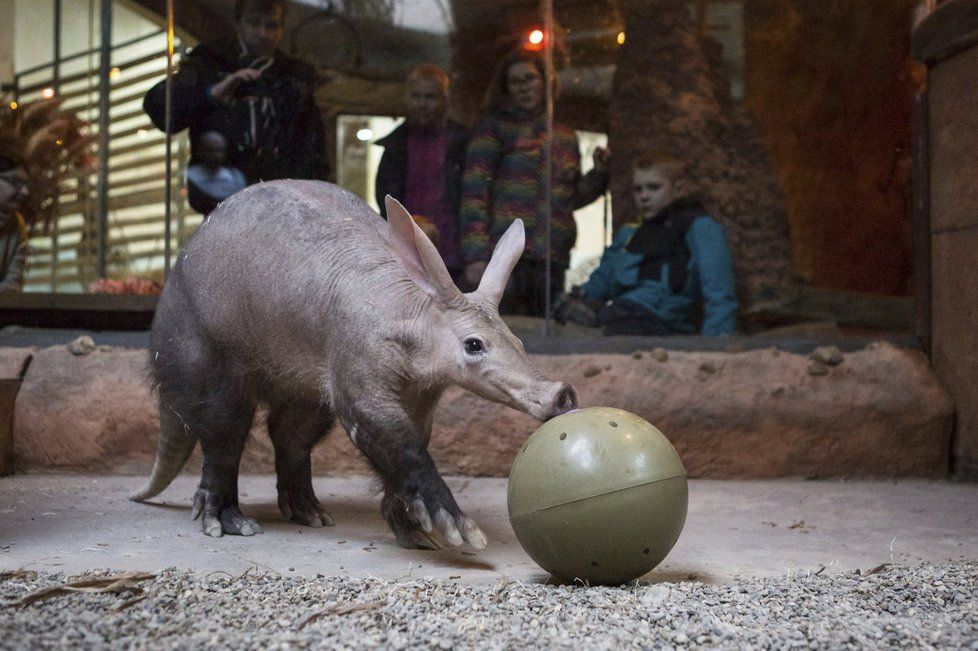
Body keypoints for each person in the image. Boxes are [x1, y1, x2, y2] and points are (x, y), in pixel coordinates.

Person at [459, 50, 609, 315]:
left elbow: (568, 198)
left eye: (530, 78)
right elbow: (474, 195)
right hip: (507, 256)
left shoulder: (564, 136)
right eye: (515, 82)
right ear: (506, 89)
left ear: (545, 81)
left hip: (551, 258)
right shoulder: (493, 130)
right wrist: (475, 256)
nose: (523, 87)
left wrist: (599, 174)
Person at [143, 0, 328, 185]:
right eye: (254, 23)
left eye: (271, 25)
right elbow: (160, 107)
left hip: (279, 193)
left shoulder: (294, 78)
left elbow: (313, 151)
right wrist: (212, 93)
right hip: (220, 191)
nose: (263, 33)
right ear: (239, 23)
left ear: (281, 28)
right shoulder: (209, 63)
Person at [556, 153, 738, 336]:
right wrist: (580, 299)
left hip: (664, 322)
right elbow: (603, 279)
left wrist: (715, 343)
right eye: (638, 189)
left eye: (653, 188)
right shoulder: (631, 232)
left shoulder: (698, 226)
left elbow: (719, 290)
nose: (644, 196)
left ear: (679, 188)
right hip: (621, 314)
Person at [374, 64, 469, 279]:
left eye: (430, 96)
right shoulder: (396, 146)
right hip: (407, 252)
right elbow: (385, 200)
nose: (423, 104)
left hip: (451, 253)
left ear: (445, 99)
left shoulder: (462, 143)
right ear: (407, 98)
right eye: (416, 96)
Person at [186, 131, 248, 214]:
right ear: (200, 151)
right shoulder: (190, 177)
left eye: (220, 150)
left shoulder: (236, 177)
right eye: (211, 150)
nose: (216, 155)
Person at [0, 152, 30, 293]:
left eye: (25, 184)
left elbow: (12, 286)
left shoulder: (17, 225)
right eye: (16, 183)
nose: (25, 192)